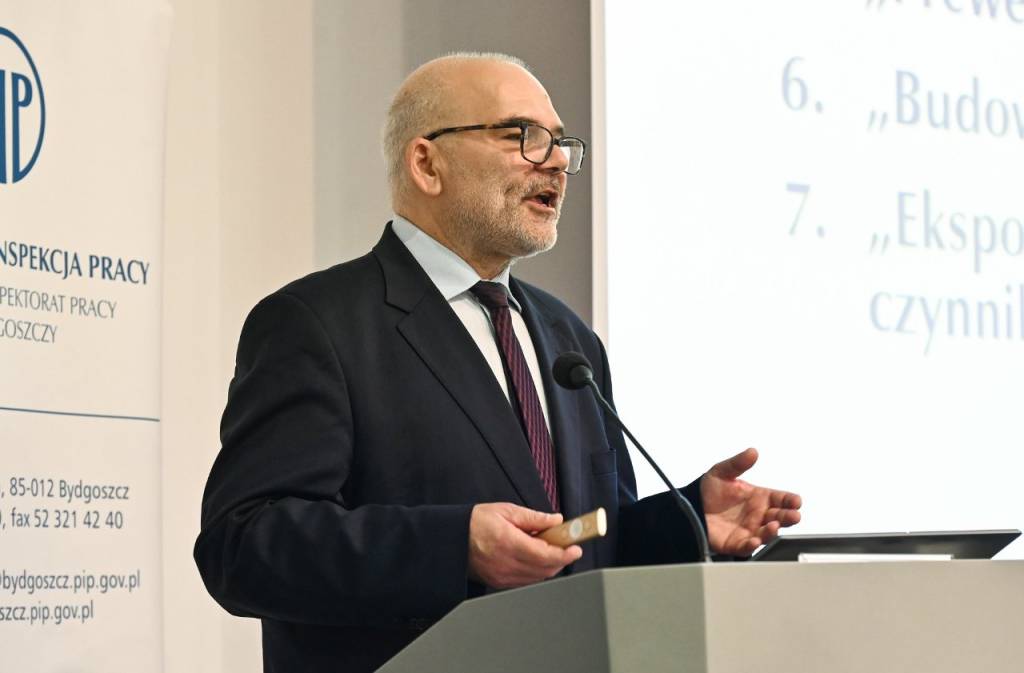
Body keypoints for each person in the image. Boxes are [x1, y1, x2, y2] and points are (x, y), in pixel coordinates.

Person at [194, 52, 802, 673]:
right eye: (523, 136)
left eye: (561, 142)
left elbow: (588, 542)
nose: (557, 161)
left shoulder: (569, 338)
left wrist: (687, 522)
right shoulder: (316, 323)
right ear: (427, 163)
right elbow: (240, 545)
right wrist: (453, 548)